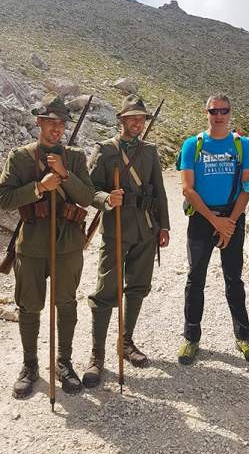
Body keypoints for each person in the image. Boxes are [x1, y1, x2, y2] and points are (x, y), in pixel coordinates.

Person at [0, 94, 94, 398]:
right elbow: (3, 200)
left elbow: (87, 198)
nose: (56, 128)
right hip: (32, 246)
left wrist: (65, 176)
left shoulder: (76, 157)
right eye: (50, 122)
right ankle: (30, 365)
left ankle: (64, 363)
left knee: (66, 304)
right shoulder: (21, 157)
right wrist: (39, 187)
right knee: (29, 306)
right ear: (39, 123)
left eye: (61, 123)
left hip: (67, 244)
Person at [81, 96, 170, 388]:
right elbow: (88, 190)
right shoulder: (105, 151)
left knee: (138, 288)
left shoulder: (150, 151)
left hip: (146, 229)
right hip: (116, 228)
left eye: (141, 118)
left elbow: (159, 191)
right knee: (106, 291)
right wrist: (106, 198)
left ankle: (126, 343)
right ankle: (97, 356)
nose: (137, 122)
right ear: (121, 120)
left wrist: (164, 226)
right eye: (132, 117)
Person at [176, 94, 249, 365]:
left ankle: (244, 337)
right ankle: (191, 338)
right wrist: (216, 222)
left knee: (233, 278)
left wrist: (230, 223)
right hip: (203, 218)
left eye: (223, 110)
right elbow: (187, 189)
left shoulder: (242, 145)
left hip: (232, 216)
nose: (219, 115)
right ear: (207, 112)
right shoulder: (193, 144)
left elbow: (247, 186)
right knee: (195, 278)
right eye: (214, 111)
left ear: (230, 112)